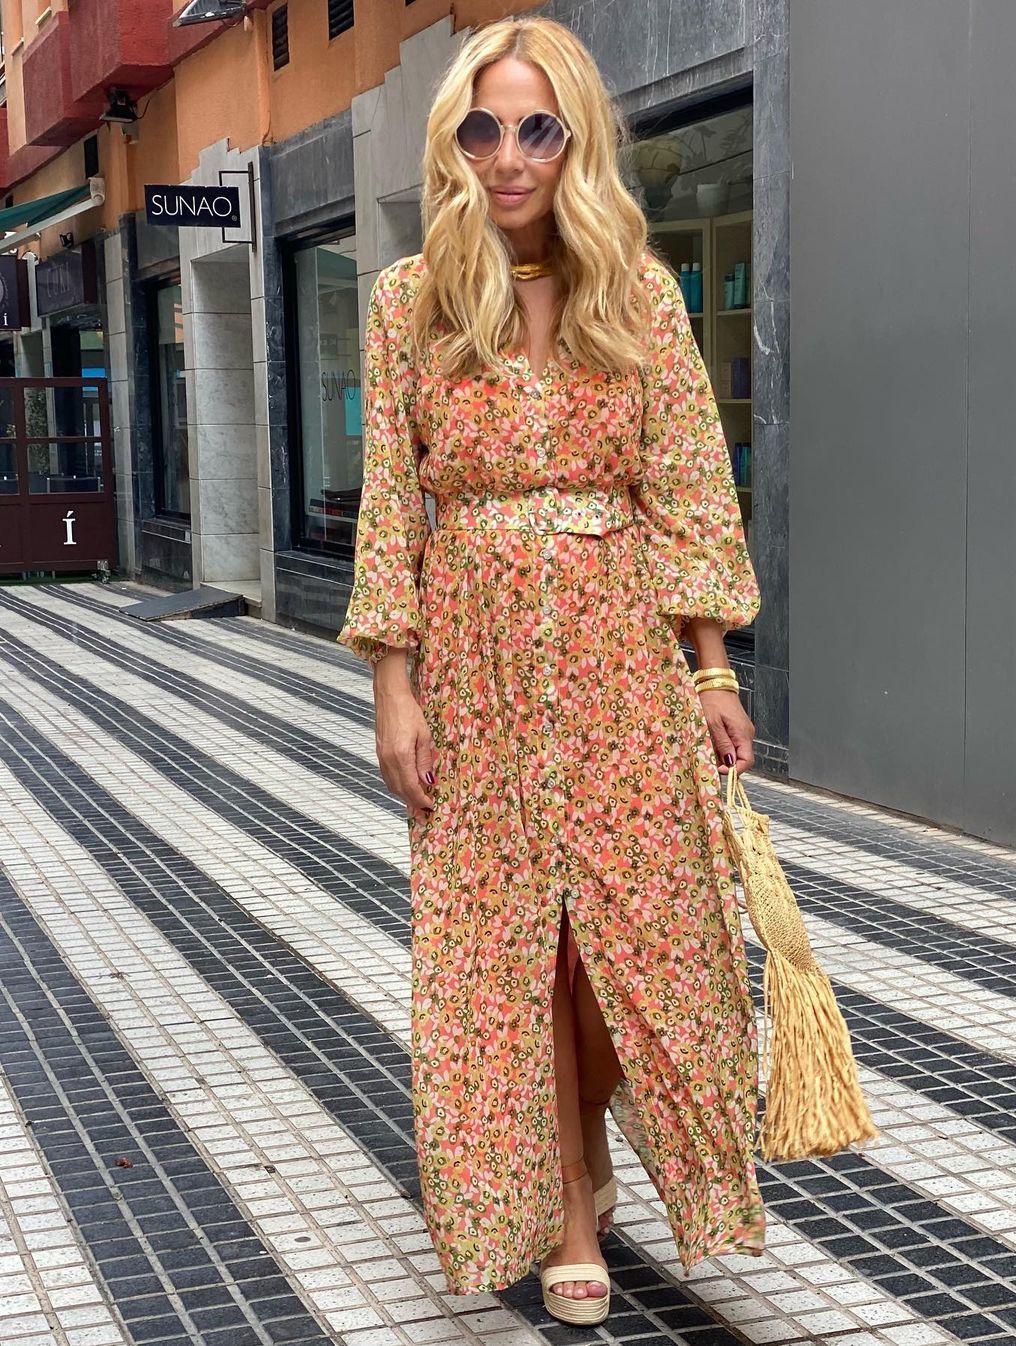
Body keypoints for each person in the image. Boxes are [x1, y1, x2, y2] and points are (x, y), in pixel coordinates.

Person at [337, 14, 765, 1326]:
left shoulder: (638, 294)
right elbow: (392, 508)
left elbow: (687, 482)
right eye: (482, 129)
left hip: (619, 657)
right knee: (506, 948)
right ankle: (568, 1202)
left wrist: (711, 669)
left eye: (536, 129)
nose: (509, 155)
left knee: (624, 941)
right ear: (452, 144)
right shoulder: (409, 303)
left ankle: (583, 1146)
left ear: (575, 142)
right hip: (475, 671)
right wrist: (393, 688)